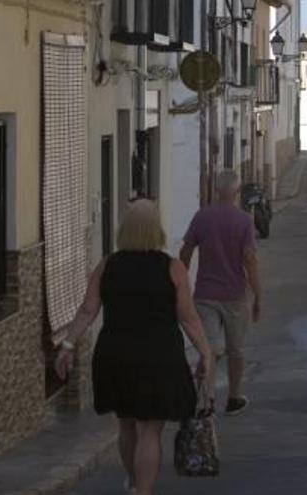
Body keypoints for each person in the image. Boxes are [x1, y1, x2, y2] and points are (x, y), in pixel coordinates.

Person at [56, 200, 213, 495]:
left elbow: (88, 310)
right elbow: (188, 318)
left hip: (116, 355)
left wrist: (67, 344)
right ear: (157, 230)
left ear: (124, 230)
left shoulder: (107, 265)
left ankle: (133, 481)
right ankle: (143, 491)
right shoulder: (173, 268)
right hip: (159, 356)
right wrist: (205, 352)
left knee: (126, 425)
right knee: (150, 430)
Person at [180, 170, 262, 416]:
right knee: (236, 350)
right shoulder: (244, 220)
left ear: (216, 190)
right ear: (237, 192)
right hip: (235, 296)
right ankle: (234, 397)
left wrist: (182, 282)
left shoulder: (201, 217)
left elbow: (185, 251)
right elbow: (250, 260)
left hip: (205, 294)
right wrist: (258, 296)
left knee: (210, 350)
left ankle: (208, 399)